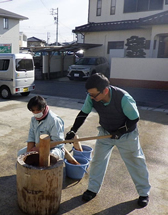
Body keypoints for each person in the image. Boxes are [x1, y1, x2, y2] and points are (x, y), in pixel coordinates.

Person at [65, 73, 151, 207]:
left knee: (135, 161)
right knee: (98, 161)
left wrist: (121, 131)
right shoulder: (91, 96)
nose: (91, 97)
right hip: (105, 133)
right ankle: (92, 189)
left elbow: (134, 119)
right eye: (90, 94)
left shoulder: (123, 98)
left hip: (127, 136)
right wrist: (73, 130)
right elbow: (83, 114)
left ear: (105, 90)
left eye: (94, 95)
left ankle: (144, 193)